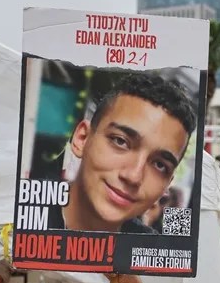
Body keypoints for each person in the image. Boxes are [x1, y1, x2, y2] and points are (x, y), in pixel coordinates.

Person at [48, 71, 197, 233]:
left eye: (160, 165)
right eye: (120, 141)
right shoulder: (23, 213)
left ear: (167, 185)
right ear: (82, 138)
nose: (133, 176)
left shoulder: (155, 247)